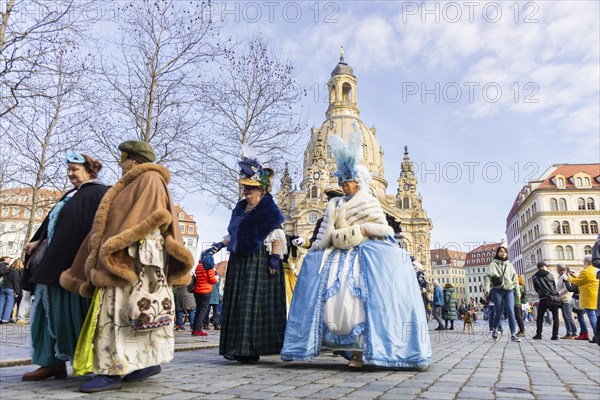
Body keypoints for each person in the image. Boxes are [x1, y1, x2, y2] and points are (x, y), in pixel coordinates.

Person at [280, 131, 431, 370]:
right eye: (342, 181)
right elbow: (323, 235)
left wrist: (360, 230)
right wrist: (312, 249)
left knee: (363, 300)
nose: (343, 185)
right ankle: (325, 343)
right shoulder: (334, 204)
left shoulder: (369, 201)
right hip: (337, 254)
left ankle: (363, 350)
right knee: (325, 288)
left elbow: (382, 228)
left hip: (362, 253)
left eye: (347, 181)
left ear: (358, 181)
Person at [60, 141, 194, 392]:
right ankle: (143, 363)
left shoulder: (150, 179)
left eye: (124, 159)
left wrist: (115, 246)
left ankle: (113, 369)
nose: (121, 164)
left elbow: (147, 220)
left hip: (135, 259)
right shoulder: (139, 182)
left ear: (133, 159)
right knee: (130, 314)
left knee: (119, 312)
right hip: (133, 257)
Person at [21, 152, 108, 381]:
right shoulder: (72, 195)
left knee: (70, 315)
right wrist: (37, 240)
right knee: (44, 314)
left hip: (74, 267)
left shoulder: (101, 194)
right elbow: (54, 223)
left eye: (75, 170)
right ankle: (50, 363)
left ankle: (87, 363)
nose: (70, 174)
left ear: (90, 170)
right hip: (53, 264)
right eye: (68, 170)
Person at [209, 149, 287, 363]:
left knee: (252, 303)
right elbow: (234, 232)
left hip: (259, 261)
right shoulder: (240, 208)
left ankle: (251, 348)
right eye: (245, 188)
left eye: (251, 189)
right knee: (236, 302)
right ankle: (236, 346)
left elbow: (276, 234)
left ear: (261, 190)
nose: (247, 192)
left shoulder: (268, 209)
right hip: (239, 260)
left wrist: (275, 258)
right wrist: (220, 244)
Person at [485, 244, 520, 343]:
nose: (503, 253)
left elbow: (515, 280)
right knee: (498, 312)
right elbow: (488, 278)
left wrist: (518, 293)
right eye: (501, 251)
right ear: (497, 253)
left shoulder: (510, 265)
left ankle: (513, 334)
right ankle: (495, 329)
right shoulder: (493, 264)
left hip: (509, 290)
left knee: (510, 311)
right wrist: (487, 290)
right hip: (497, 290)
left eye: (504, 251)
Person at [566, 255, 599, 344]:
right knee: (596, 316)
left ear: (587, 262)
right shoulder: (595, 269)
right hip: (596, 295)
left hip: (589, 296)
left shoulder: (586, 271)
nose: (583, 263)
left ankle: (597, 336)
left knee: (592, 316)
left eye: (583, 262)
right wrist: (575, 276)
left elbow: (577, 282)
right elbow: (583, 280)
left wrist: (568, 278)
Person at [532, 261, 560, 340]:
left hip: (543, 298)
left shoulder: (534, 277)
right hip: (552, 297)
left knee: (540, 317)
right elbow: (554, 286)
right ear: (544, 267)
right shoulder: (550, 275)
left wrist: (541, 292)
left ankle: (539, 334)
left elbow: (536, 288)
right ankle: (555, 335)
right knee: (555, 317)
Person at [191, 252, 217, 337]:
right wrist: (216, 279)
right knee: (203, 310)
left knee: (198, 310)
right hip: (205, 291)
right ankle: (198, 330)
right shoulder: (208, 266)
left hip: (197, 290)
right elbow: (211, 280)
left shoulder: (199, 266)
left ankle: (194, 329)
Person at [556, 264, 577, 339]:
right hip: (563, 299)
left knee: (569, 317)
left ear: (560, 269)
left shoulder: (564, 277)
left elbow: (567, 288)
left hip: (566, 299)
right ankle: (568, 333)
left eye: (557, 268)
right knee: (565, 317)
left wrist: (558, 293)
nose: (556, 269)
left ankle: (574, 333)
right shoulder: (561, 277)